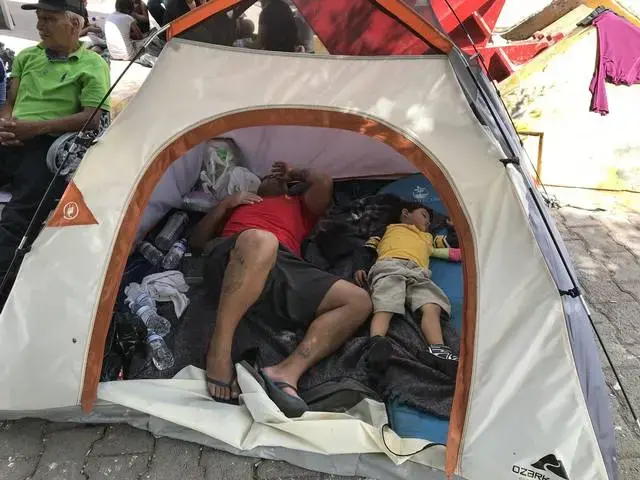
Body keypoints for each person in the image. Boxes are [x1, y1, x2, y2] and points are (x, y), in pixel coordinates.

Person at [190, 162, 371, 417]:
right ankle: (219, 350)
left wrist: (295, 173)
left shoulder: (301, 206)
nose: (272, 177)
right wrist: (226, 204)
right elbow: (196, 242)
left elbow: (323, 180)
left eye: (279, 178)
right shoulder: (241, 204)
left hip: (285, 266)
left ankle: (286, 372)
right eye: (267, 176)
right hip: (236, 254)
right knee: (261, 240)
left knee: (359, 301)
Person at [0, 0, 110, 305]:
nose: (39, 26)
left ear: (74, 25)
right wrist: (5, 119)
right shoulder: (26, 56)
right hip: (13, 135)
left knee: (20, 213)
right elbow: (11, 100)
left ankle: (4, 285)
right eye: (39, 18)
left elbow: (93, 118)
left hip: (49, 142)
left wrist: (34, 129)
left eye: (48, 19)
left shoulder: (92, 65)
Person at [354, 202, 461, 364]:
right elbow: (367, 248)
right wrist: (360, 267)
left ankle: (438, 350)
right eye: (424, 215)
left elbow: (453, 245)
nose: (427, 222)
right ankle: (377, 341)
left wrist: (453, 228)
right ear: (405, 213)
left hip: (419, 273)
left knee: (432, 304)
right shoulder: (389, 229)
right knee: (387, 300)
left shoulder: (429, 237)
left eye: (429, 220)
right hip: (390, 264)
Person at [105, 0, 159, 66]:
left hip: (113, 54)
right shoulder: (128, 18)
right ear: (129, 9)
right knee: (152, 37)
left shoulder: (109, 17)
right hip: (128, 55)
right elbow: (140, 37)